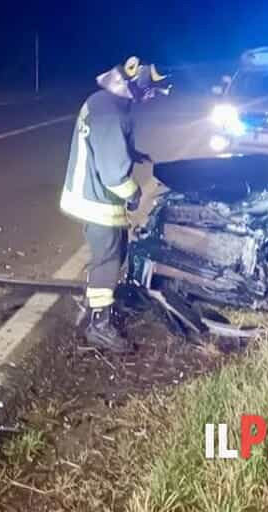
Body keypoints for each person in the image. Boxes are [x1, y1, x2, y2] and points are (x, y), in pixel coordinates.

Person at [59, 56, 171, 353]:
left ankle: (92, 307)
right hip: (96, 199)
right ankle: (99, 326)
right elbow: (112, 173)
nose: (147, 100)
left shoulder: (102, 102)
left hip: (91, 193)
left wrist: (131, 153)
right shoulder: (110, 112)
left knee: (114, 252)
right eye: (147, 93)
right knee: (107, 259)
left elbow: (108, 143)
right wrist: (134, 195)